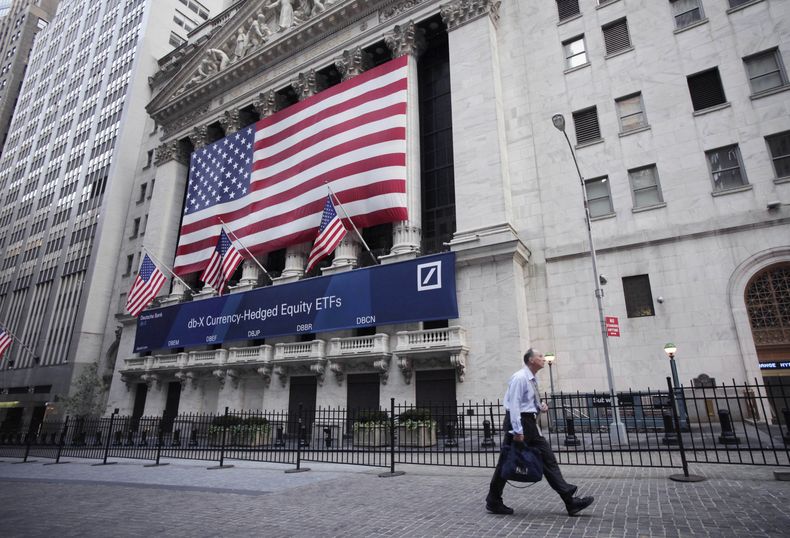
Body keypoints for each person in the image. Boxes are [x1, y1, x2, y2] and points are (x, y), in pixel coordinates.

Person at [486, 348, 594, 516]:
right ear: (531, 360)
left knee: (547, 458)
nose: (544, 359)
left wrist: (539, 405)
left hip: (529, 422)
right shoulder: (519, 378)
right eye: (540, 356)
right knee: (507, 461)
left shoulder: (532, 378)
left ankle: (570, 501)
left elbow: (526, 402)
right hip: (519, 422)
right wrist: (517, 429)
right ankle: (493, 500)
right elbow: (513, 405)